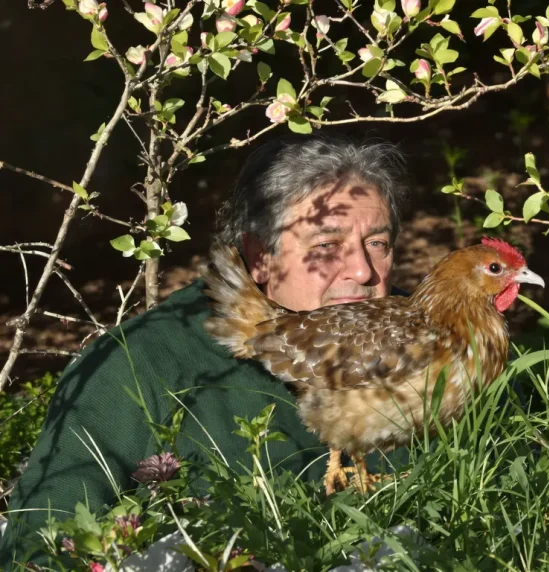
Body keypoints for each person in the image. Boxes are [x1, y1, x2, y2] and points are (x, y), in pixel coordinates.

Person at [0, 134, 411, 567]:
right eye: (326, 246)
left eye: (378, 244)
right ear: (260, 258)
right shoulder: (143, 365)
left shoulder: (435, 345)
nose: (363, 270)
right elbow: (37, 550)